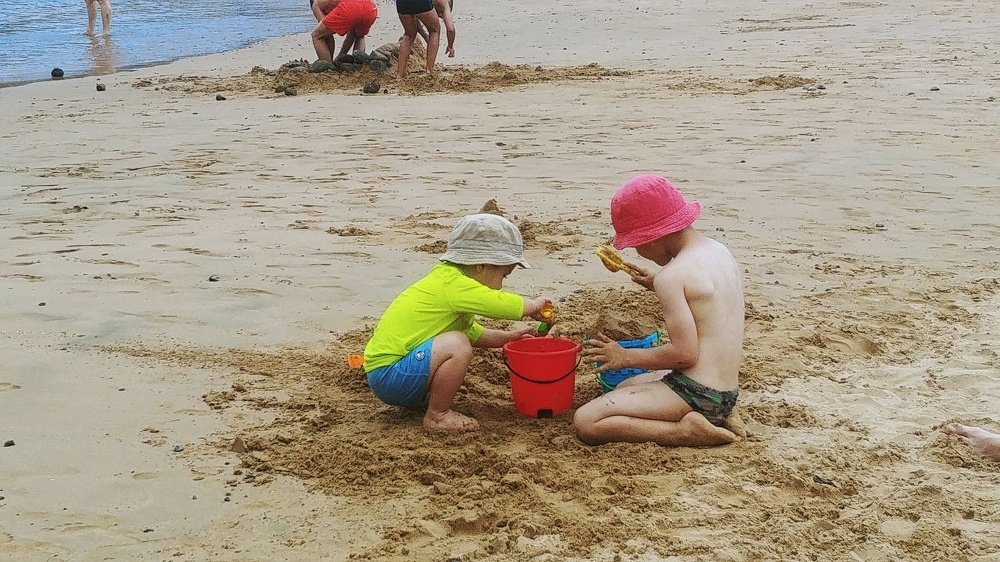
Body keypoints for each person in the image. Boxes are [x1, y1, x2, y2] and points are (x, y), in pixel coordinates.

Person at [574, 174, 744, 447]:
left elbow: (684, 355)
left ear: (650, 240)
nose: (638, 252)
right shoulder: (718, 251)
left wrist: (625, 356)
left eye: (636, 245)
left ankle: (685, 431)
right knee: (625, 387)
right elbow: (707, 300)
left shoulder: (671, 278)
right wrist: (656, 282)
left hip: (697, 394)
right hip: (726, 392)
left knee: (587, 421)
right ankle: (720, 416)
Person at [363, 213, 553, 432]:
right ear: (481, 265)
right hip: (391, 375)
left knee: (459, 338)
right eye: (504, 275)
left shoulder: (450, 286)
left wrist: (509, 338)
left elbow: (473, 333)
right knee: (457, 344)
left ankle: (429, 402)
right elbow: (497, 304)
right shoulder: (452, 283)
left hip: (394, 374)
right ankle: (437, 416)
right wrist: (533, 305)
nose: (501, 285)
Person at [310, 0, 379, 63]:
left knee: (316, 35)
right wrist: (340, 55)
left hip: (350, 7)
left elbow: (324, 33)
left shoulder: (316, 4)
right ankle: (359, 65)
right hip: (371, 8)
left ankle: (328, 67)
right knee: (359, 36)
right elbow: (350, 36)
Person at [395, 0, 440, 79]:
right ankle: (429, 71)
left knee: (408, 35)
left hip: (402, 3)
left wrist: (424, 36)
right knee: (434, 30)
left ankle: (400, 74)